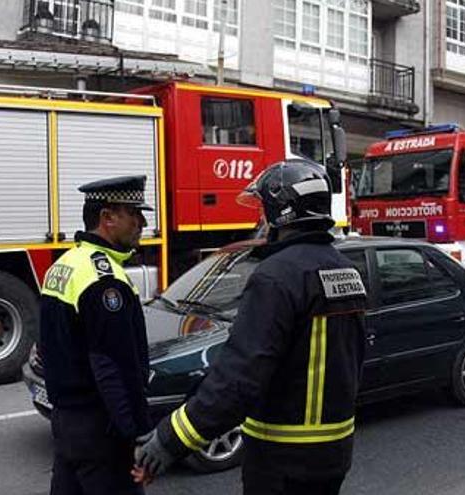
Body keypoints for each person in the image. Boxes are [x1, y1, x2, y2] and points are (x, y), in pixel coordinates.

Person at [134, 159, 368, 495]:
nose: (259, 219)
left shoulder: (277, 275)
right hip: (333, 454)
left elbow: (239, 378)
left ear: (282, 212)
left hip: (281, 460)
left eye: (264, 210)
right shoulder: (347, 271)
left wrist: (171, 438)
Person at [40, 175, 153, 495]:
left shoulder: (65, 264)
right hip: (101, 432)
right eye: (134, 213)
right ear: (108, 218)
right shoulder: (105, 281)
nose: (142, 222)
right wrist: (139, 436)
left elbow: (48, 347)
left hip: (66, 424)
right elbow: (115, 368)